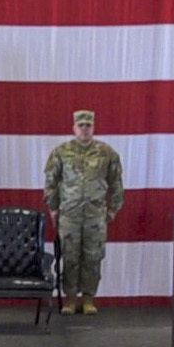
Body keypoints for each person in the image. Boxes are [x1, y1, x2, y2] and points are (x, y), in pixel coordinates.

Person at [42, 111, 125, 316]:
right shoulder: (61, 152)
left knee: (93, 257)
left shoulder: (107, 153)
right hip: (69, 214)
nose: (85, 128)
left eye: (88, 125)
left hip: (95, 215)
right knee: (70, 257)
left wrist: (114, 209)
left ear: (93, 127)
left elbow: (116, 182)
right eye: (81, 125)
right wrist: (53, 208)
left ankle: (88, 298)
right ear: (74, 128)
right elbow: (51, 182)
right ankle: (70, 299)